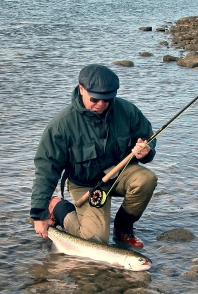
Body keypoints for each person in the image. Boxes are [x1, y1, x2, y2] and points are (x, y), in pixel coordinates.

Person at [30, 64, 157, 248]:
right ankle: (57, 207)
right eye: (95, 99)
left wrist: (146, 149)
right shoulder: (61, 126)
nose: (101, 105)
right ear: (81, 88)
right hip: (85, 184)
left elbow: (147, 136)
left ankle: (123, 229)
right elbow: (46, 170)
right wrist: (39, 213)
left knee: (146, 179)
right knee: (94, 240)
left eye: (107, 100)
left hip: (118, 174)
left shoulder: (126, 110)